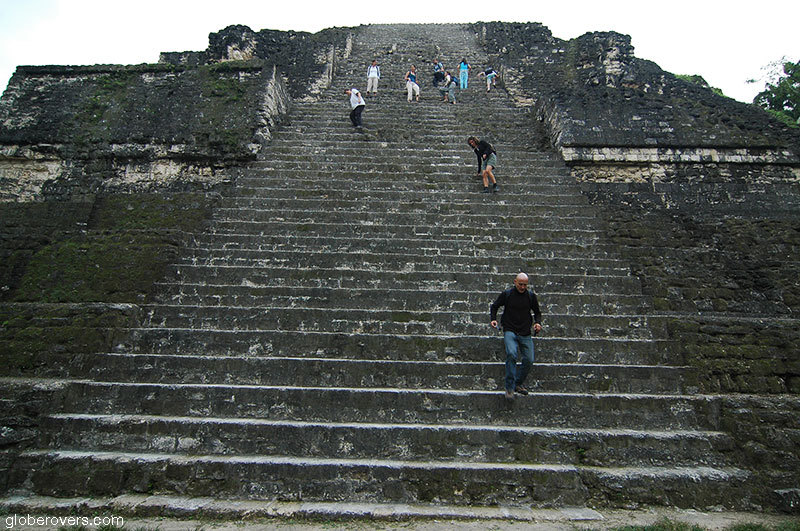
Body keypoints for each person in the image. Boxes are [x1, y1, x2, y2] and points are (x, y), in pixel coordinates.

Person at [490, 273, 543, 400]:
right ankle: (509, 387)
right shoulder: (507, 294)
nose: (523, 287)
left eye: (525, 285)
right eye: (520, 284)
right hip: (510, 330)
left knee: (529, 360)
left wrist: (537, 323)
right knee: (511, 354)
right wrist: (493, 319)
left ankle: (517, 383)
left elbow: (537, 312)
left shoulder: (530, 296)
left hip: (525, 332)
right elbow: (495, 306)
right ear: (515, 282)